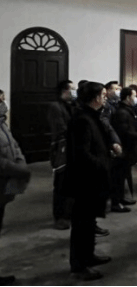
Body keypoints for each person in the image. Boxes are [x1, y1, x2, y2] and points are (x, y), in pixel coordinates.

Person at [66, 82, 112, 281]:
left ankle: (89, 256)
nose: (106, 98)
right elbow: (82, 153)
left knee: (89, 222)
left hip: (93, 178)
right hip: (86, 180)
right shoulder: (82, 120)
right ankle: (79, 266)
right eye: (103, 95)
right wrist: (102, 165)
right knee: (82, 225)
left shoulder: (91, 116)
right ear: (95, 98)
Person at [0, 90, 31, 287]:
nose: (4, 103)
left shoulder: (2, 124)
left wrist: (20, 162)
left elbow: (14, 146)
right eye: (1, 100)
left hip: (5, 184)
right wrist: (17, 169)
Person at [111, 88, 137, 212]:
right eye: (133, 95)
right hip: (124, 148)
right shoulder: (122, 112)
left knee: (124, 175)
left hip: (128, 148)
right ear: (127, 97)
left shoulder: (127, 110)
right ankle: (116, 202)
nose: (135, 98)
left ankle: (121, 198)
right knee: (118, 177)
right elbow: (124, 132)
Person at [47, 81, 77, 230]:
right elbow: (61, 128)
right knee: (60, 184)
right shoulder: (55, 107)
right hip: (62, 149)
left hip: (72, 147)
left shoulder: (71, 105)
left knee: (70, 184)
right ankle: (59, 217)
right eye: (72, 89)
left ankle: (68, 213)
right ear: (65, 90)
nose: (74, 91)